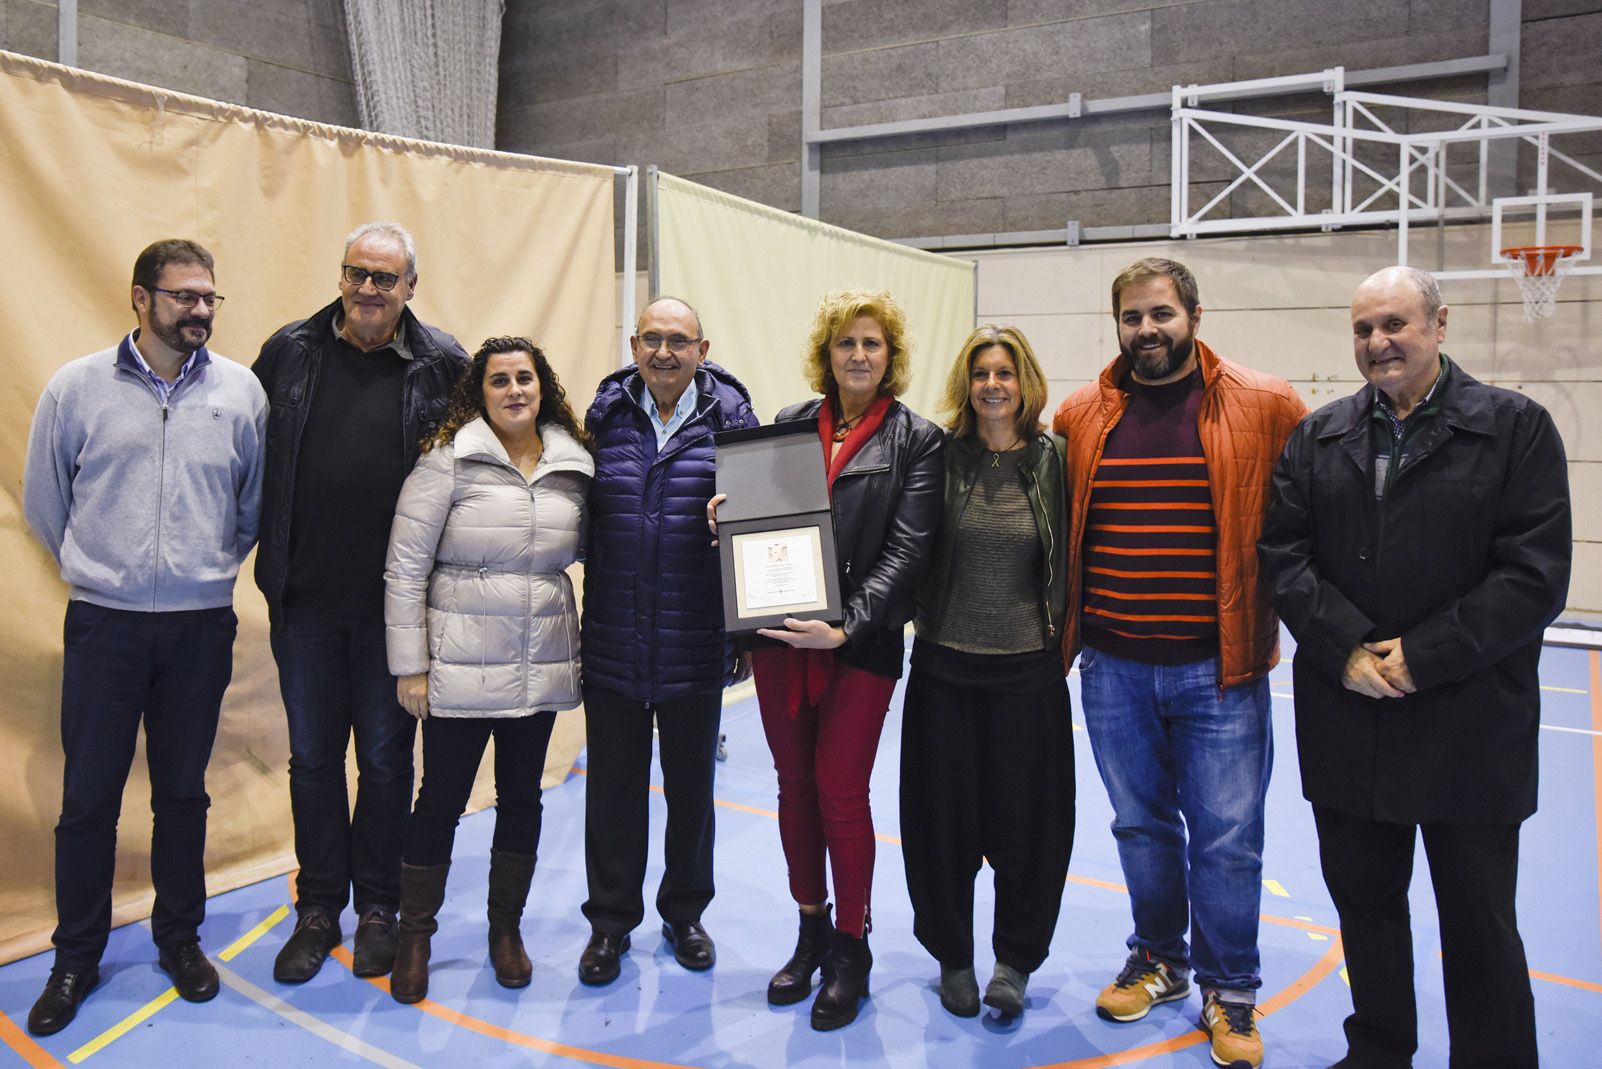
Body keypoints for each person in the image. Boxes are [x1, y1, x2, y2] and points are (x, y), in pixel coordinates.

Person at [1260, 266, 1571, 1069]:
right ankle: (1380, 1050)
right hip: (1348, 716)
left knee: (1479, 922)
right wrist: (1348, 649)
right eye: (1363, 329)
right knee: (1366, 909)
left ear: (1439, 322)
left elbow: (1533, 573)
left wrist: (1422, 658)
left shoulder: (1517, 430)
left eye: (1395, 324)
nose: (1377, 343)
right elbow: (1284, 557)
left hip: (1469, 726)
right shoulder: (1317, 436)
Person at [1051, 257, 1306, 1069]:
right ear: (1117, 324)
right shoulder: (1083, 414)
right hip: (1113, 667)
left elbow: (1314, 514)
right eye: (1131, 317)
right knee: (1140, 824)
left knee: (1228, 840)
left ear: (1194, 313)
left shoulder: (1267, 404)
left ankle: (1230, 991)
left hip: (1219, 670)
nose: (1146, 330)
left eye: (1160, 314)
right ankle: (1159, 958)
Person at [22, 239, 267, 1035]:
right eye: (183, 296)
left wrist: (203, 571)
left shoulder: (241, 393)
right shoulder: (77, 388)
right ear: (140, 298)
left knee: (183, 794)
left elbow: (250, 506)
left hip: (199, 627)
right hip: (106, 625)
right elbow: (44, 502)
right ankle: (75, 955)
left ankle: (180, 938)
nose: (199, 309)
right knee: (88, 799)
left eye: (209, 297)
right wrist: (102, 574)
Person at [253, 221, 468, 984]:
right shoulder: (290, 350)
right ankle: (319, 908)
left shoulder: (445, 364)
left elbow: (473, 477)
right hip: (304, 602)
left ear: (412, 285)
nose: (369, 289)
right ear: (341, 276)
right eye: (358, 273)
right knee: (312, 761)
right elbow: (253, 458)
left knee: (382, 762)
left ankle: (378, 906)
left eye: (386, 277)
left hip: (395, 613)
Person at [734, 289, 943, 1031]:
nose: (858, 354)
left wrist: (847, 628)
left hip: (861, 648)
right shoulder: (789, 425)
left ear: (891, 357)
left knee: (839, 791)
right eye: (846, 343)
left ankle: (853, 949)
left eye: (872, 344)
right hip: (778, 642)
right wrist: (724, 521)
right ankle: (811, 930)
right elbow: (761, 527)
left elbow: (909, 549)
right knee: (794, 786)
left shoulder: (917, 440)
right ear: (827, 353)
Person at [381, 337, 595, 1003]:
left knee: (522, 797)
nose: (513, 390)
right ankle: (415, 934)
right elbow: (405, 566)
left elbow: (599, 549)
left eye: (524, 377)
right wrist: (410, 665)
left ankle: (506, 931)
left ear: (543, 386)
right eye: (498, 380)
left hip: (539, 664)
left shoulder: (573, 465)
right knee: (439, 800)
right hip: (459, 666)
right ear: (481, 392)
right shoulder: (447, 461)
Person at [576, 296, 756, 986]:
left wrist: (741, 630)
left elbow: (757, 533)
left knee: (691, 792)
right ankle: (610, 923)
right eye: (651, 338)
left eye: (678, 340)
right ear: (632, 343)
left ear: (702, 350)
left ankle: (685, 913)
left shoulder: (734, 424)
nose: (663, 351)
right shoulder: (603, 421)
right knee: (613, 793)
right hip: (615, 639)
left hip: (695, 637)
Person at [899, 325, 1073, 1021]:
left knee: (1031, 829)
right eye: (981, 374)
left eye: (1005, 372)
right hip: (944, 669)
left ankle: (1014, 961)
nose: (993, 385)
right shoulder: (939, 457)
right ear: (966, 386)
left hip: (1029, 675)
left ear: (1023, 380)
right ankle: (954, 957)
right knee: (941, 826)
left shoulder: (1056, 459)